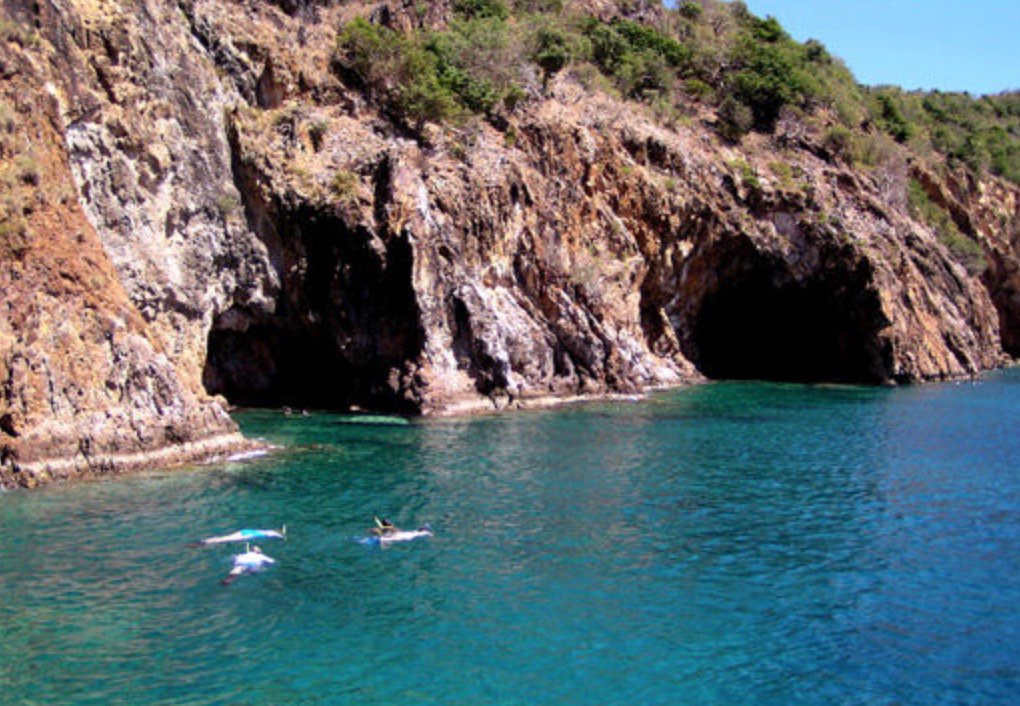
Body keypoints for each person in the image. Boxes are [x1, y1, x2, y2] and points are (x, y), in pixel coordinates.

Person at [188, 526, 286, 547]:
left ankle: (205, 541)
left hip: (245, 531)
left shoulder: (269, 530)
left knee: (226, 538)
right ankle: (204, 542)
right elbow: (280, 536)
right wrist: (284, 537)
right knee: (225, 539)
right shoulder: (272, 533)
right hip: (248, 535)